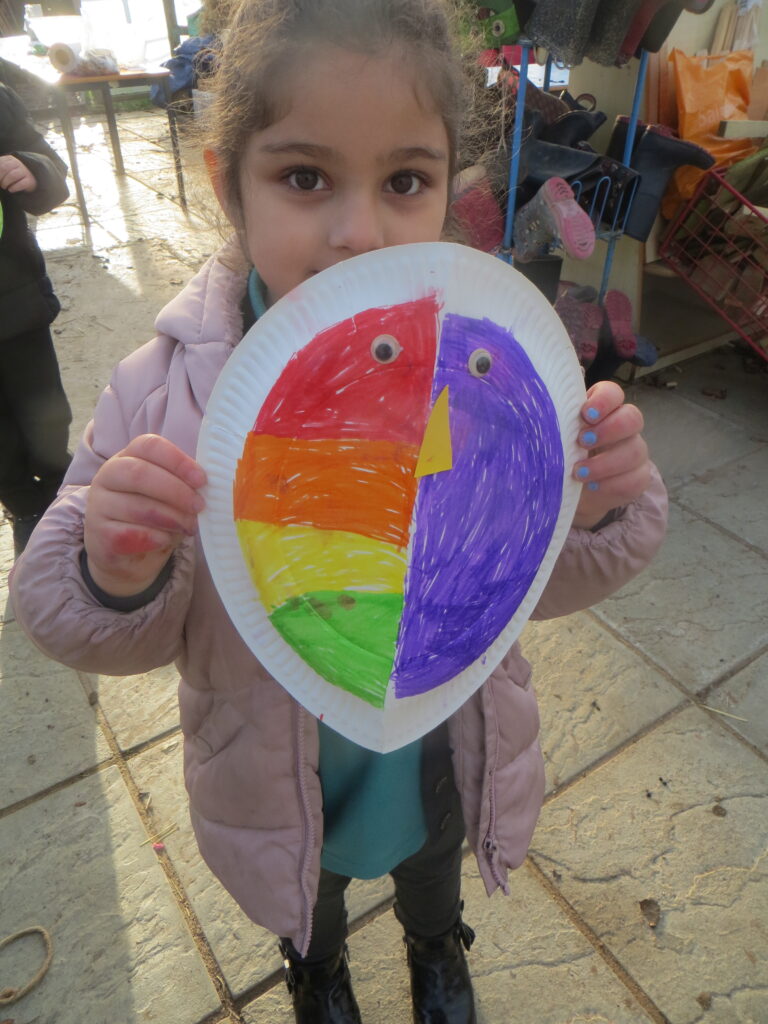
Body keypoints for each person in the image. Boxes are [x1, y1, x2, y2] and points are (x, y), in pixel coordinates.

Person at [9, 1, 668, 1021]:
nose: (358, 232)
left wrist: (592, 511)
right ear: (232, 187)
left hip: (441, 740)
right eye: (305, 177)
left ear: (451, 189)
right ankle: (315, 970)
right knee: (306, 898)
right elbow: (62, 606)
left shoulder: (480, 376)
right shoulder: (169, 392)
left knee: (432, 867)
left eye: (404, 181)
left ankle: (439, 947)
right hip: (274, 772)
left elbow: (533, 581)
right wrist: (116, 566)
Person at [0, 79, 71, 557]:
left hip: (13, 302)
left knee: (43, 410)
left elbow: (55, 175)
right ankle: (24, 505)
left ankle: (66, 490)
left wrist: (33, 169)